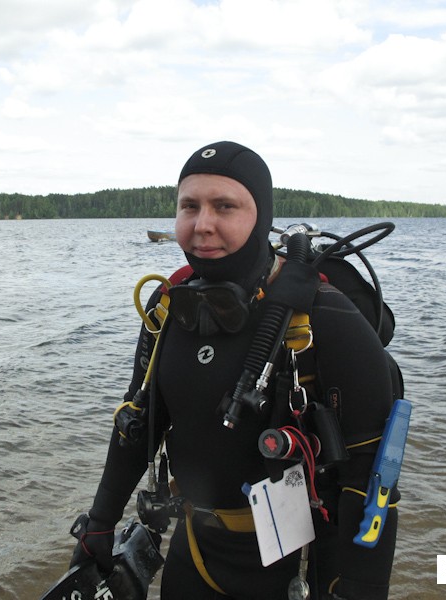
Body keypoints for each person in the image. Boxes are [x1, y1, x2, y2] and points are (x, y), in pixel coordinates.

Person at [70, 141, 401, 599]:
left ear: (261, 217)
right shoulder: (169, 307)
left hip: (297, 569)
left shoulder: (326, 318)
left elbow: (370, 482)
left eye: (225, 206)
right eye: (190, 206)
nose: (203, 224)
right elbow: (139, 420)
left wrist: (361, 589)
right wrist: (101, 522)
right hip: (197, 550)